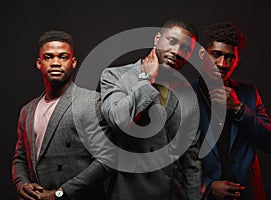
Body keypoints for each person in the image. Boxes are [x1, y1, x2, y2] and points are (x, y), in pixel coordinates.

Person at [99, 18, 202, 200]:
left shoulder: (187, 96)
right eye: (172, 42)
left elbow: (190, 159)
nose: (177, 52)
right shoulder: (115, 76)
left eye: (185, 49)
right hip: (126, 192)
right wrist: (146, 79)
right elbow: (119, 121)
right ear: (156, 39)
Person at [11, 30, 111, 200]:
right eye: (48, 57)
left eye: (63, 57)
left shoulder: (91, 101)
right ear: (38, 63)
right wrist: (22, 184)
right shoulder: (27, 111)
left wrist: (60, 193)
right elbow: (20, 158)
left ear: (73, 63)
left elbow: (106, 160)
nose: (55, 62)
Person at [192, 22, 271, 200]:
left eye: (230, 57)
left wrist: (239, 109)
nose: (223, 64)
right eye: (216, 54)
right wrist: (207, 187)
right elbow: (172, 160)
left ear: (238, 60)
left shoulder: (249, 94)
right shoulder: (184, 95)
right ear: (203, 55)